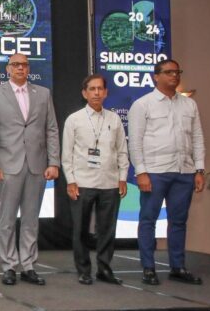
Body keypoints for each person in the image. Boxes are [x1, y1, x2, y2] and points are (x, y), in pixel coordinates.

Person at [0, 52, 60, 286]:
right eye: (15, 65)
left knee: (31, 219)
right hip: (7, 165)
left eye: (24, 65)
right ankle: (8, 265)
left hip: (37, 164)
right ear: (7, 69)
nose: (20, 68)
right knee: (7, 219)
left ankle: (28, 265)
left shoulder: (43, 93)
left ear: (29, 69)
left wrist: (54, 162)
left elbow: (51, 129)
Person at [128, 59, 205, 286]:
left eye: (177, 72)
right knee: (148, 220)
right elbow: (135, 142)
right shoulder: (143, 104)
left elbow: (197, 138)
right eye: (169, 72)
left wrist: (199, 169)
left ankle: (177, 267)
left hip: (184, 171)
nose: (174, 76)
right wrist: (141, 172)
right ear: (156, 76)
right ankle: (148, 268)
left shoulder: (189, 105)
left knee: (179, 221)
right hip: (154, 172)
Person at [62, 74, 128, 285]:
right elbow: (67, 154)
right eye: (92, 89)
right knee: (80, 229)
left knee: (107, 229)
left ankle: (104, 269)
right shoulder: (74, 119)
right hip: (82, 182)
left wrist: (123, 178)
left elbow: (122, 151)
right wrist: (71, 180)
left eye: (100, 89)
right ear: (84, 93)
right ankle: (83, 270)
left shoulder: (114, 119)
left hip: (110, 182)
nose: (97, 93)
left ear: (106, 92)